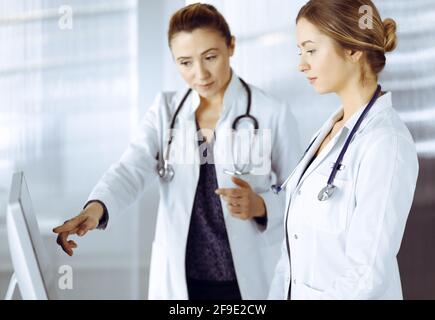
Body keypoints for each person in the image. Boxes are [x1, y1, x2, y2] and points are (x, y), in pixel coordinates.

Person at [53, 3, 301, 300]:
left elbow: (300, 197)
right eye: (185, 62)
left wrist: (260, 206)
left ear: (231, 46)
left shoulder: (270, 112)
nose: (200, 73)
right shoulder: (166, 111)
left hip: (247, 281)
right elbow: (131, 169)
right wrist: (95, 210)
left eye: (210, 57)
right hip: (182, 282)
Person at [269, 0, 419, 300]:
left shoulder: (386, 143)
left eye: (311, 50)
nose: (302, 64)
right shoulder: (330, 131)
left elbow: (366, 274)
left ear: (352, 50)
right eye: (301, 52)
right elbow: (294, 254)